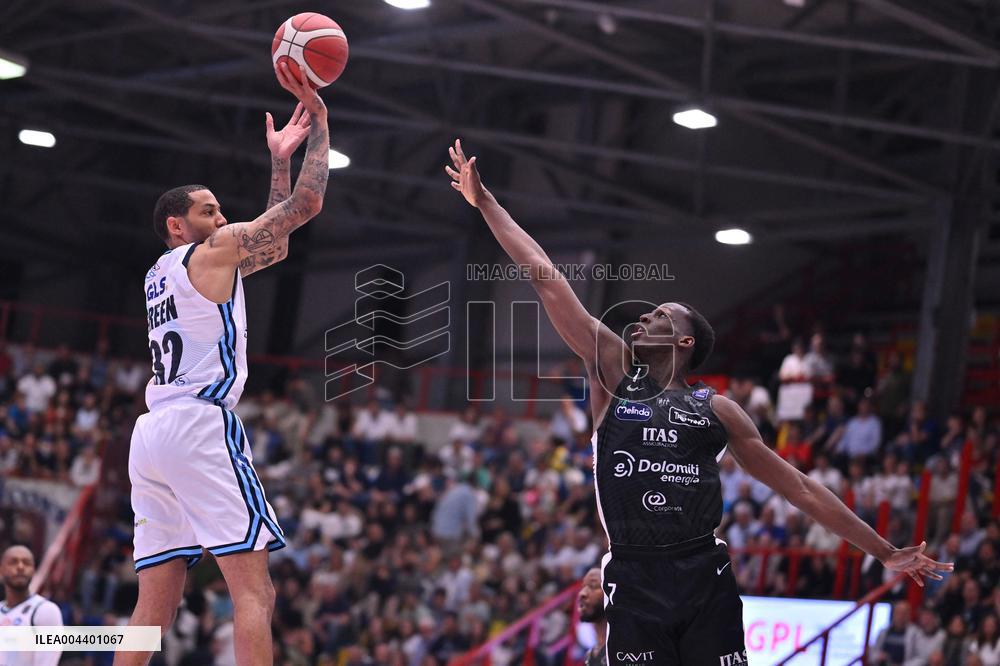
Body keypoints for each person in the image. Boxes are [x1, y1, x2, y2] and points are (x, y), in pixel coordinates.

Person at [446, 139, 953, 665]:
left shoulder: (718, 410)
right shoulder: (616, 372)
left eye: (660, 317)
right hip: (634, 572)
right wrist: (487, 204)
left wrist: (884, 550)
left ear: (684, 343)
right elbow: (545, 276)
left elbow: (799, 487)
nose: (643, 319)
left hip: (703, 574)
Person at [116, 63, 329, 666]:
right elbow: (307, 206)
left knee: (154, 605)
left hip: (151, 434)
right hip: (199, 427)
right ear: (177, 226)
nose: (222, 218)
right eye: (209, 211)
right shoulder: (208, 252)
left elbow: (275, 242)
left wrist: (278, 160)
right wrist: (319, 120)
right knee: (254, 590)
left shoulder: (163, 273)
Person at [0, 545, 64, 666]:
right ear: (1, 570)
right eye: (13, 562)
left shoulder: (45, 610)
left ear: (33, 570)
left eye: (27, 563)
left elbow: (47, 662)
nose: (20, 567)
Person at [577, 568, 608, 666]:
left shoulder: (628, 649)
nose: (582, 593)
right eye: (583, 587)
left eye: (593, 586)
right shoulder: (589, 656)